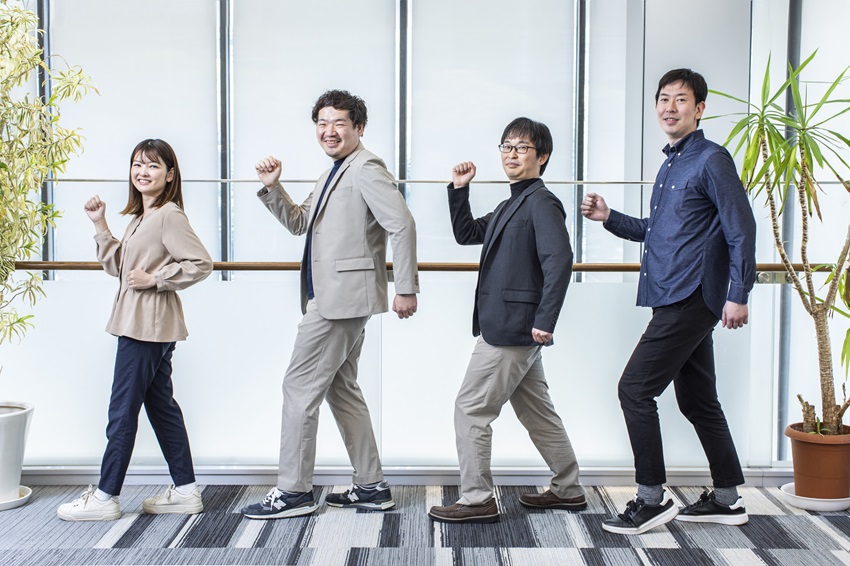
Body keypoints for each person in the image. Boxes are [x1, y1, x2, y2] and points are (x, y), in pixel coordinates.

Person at [581, 69, 756, 535]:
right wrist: (608, 217)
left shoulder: (712, 160)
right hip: (672, 293)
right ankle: (726, 499)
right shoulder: (671, 165)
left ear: (700, 109)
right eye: (663, 99)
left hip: (693, 295)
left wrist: (739, 293)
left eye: (681, 99)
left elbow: (742, 229)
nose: (669, 107)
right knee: (699, 401)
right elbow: (657, 232)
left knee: (634, 389)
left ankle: (651, 499)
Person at [240, 89, 419, 520]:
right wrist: (273, 188)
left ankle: (294, 491)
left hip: (339, 302)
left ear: (359, 128)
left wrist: (407, 287)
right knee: (342, 391)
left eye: (339, 122)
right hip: (335, 297)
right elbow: (300, 222)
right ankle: (371, 486)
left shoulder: (366, 169)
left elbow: (403, 224)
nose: (329, 130)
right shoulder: (334, 172)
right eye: (322, 122)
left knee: (298, 389)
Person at [428, 117, 585, 524]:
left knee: (471, 408)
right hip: (513, 325)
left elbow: (559, 261)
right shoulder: (510, 203)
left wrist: (545, 320)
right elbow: (466, 234)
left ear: (542, 156)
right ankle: (568, 489)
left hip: (515, 328)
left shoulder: (542, 202)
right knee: (538, 412)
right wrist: (460, 190)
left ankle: (477, 499)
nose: (512, 154)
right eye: (506, 146)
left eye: (522, 147)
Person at [58, 139, 213, 521]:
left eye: (153, 166)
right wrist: (100, 225)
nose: (143, 172)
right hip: (142, 323)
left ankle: (106, 495)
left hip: (147, 326)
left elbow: (200, 262)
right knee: (161, 407)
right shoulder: (142, 216)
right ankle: (187, 491)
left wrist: (157, 278)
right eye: (137, 165)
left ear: (170, 174)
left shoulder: (168, 215)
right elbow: (120, 268)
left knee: (122, 410)